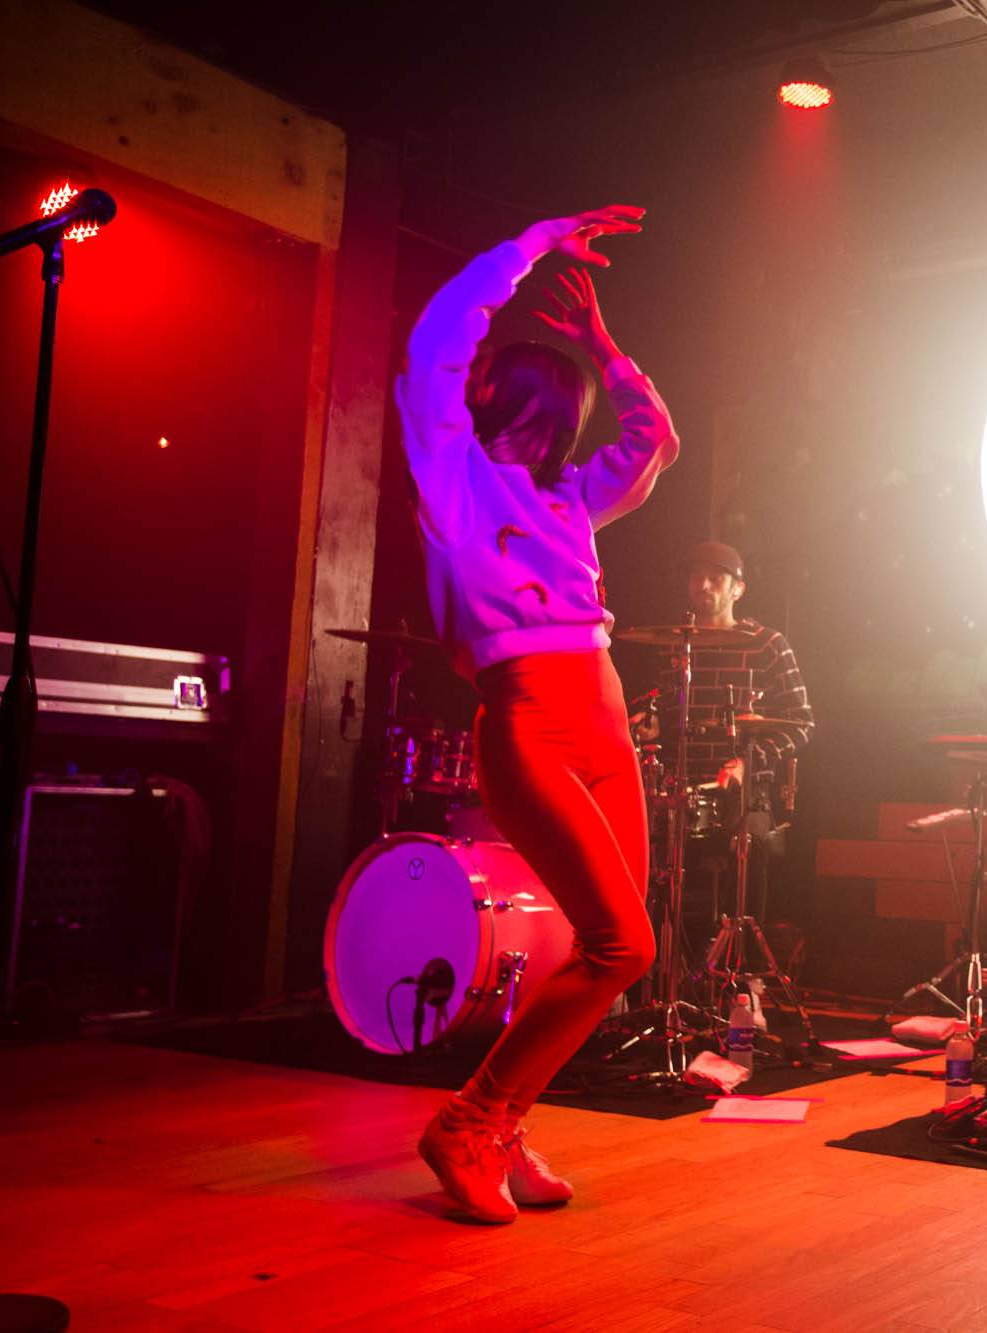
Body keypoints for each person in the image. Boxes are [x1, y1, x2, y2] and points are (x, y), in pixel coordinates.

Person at [397, 203, 679, 1224]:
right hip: (527, 719)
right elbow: (437, 346)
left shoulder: (569, 498)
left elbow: (656, 442)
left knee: (602, 953)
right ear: (505, 401)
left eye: (568, 417)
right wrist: (523, 248)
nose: (561, 432)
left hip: (604, 721)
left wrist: (606, 350)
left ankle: (501, 1123)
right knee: (622, 946)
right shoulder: (454, 479)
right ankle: (465, 1124)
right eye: (553, 410)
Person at [653, 541, 812, 936]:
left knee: (748, 848)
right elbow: (663, 716)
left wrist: (749, 761)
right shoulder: (676, 646)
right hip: (679, 786)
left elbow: (801, 724)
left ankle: (743, 974)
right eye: (696, 577)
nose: (703, 585)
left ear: (737, 588)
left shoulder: (768, 645)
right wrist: (648, 724)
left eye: (715, 578)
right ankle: (652, 970)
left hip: (745, 791)